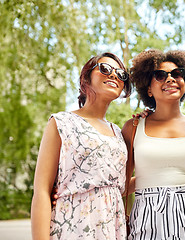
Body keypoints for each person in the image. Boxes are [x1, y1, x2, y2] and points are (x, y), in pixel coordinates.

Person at [31, 52, 131, 240]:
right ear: (86, 77)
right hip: (73, 227)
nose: (114, 75)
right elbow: (42, 190)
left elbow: (117, 186)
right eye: (105, 69)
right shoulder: (61, 122)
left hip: (112, 229)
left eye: (121, 74)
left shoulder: (118, 132)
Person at [121, 49, 185, 240]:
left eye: (177, 73)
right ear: (148, 88)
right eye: (160, 75)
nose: (170, 79)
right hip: (146, 217)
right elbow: (121, 184)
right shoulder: (133, 127)